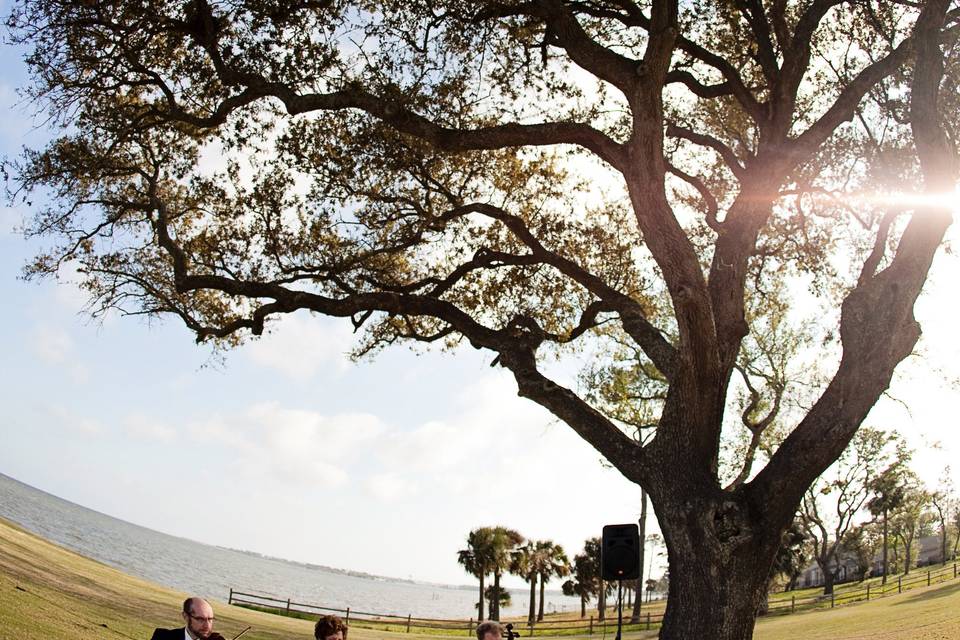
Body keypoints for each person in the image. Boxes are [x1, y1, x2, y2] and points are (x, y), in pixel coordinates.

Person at [151, 597, 220, 640]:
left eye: (210, 619)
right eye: (200, 619)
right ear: (186, 616)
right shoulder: (163, 637)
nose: (207, 626)